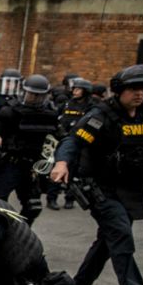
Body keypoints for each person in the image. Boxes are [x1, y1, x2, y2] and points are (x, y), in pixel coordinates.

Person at [50, 64, 143, 285]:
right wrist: (61, 163)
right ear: (119, 91)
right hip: (101, 188)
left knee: (108, 241)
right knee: (120, 234)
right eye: (133, 89)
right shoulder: (101, 115)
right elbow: (73, 140)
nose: (139, 94)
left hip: (132, 188)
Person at [0, 74, 59, 224]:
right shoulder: (9, 111)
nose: (34, 98)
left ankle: (20, 233)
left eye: (38, 96)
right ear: (24, 92)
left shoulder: (50, 114)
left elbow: (59, 137)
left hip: (31, 167)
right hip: (9, 164)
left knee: (33, 206)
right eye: (31, 94)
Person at [47, 78, 93, 210]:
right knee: (57, 170)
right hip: (62, 142)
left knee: (74, 173)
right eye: (75, 88)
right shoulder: (67, 104)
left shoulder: (91, 106)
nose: (75, 91)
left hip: (79, 142)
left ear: (86, 91)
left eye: (79, 89)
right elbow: (56, 118)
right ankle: (52, 199)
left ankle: (70, 199)